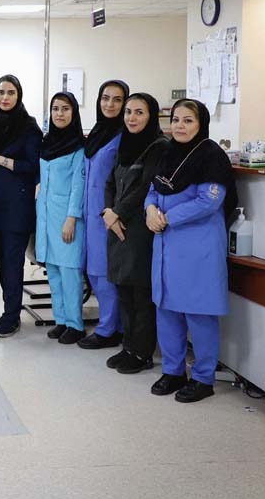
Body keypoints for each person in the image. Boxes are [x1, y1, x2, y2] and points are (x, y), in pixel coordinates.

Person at [145, 99, 236, 403]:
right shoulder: (167, 153)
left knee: (199, 313)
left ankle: (203, 378)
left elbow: (209, 201)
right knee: (167, 309)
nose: (180, 126)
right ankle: (172, 371)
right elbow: (153, 190)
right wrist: (150, 211)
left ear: (201, 125)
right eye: (176, 119)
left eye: (188, 120)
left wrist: (167, 218)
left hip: (198, 246)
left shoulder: (211, 156)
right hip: (166, 244)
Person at [101, 94, 169, 374]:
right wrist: (107, 212)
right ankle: (128, 346)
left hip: (139, 229)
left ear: (151, 116)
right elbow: (110, 182)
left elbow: (145, 188)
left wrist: (117, 213)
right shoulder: (125, 144)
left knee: (140, 292)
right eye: (128, 112)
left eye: (139, 112)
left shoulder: (159, 146)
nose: (131, 117)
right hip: (116, 226)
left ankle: (142, 352)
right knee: (123, 290)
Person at [0, 75, 43, 338]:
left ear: (19, 96)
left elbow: (33, 165)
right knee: (1, 262)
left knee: (12, 262)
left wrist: (2, 160)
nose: (5, 97)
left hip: (17, 208)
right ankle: (9, 310)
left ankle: (12, 316)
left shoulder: (28, 128)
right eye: (1, 92)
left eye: (10, 93)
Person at [78, 80, 129, 350]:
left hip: (109, 214)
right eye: (105, 98)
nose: (110, 104)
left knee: (104, 273)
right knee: (94, 271)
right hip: (90, 213)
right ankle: (113, 325)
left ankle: (109, 329)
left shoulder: (124, 136)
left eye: (117, 100)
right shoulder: (98, 132)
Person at [36, 92, 87, 345]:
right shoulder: (46, 144)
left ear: (74, 113)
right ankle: (61, 320)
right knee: (54, 271)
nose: (59, 113)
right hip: (46, 216)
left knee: (70, 273)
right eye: (55, 109)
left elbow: (79, 186)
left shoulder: (79, 147)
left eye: (65, 109)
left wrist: (72, 217)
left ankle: (76, 324)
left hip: (67, 218)